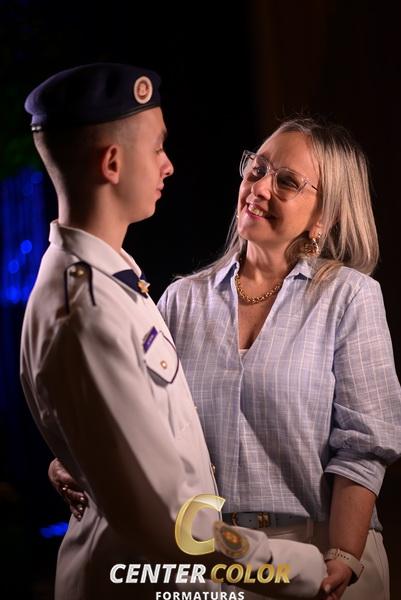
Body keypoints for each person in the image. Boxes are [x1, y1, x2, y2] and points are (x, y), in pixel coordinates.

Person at [53, 116, 401, 600]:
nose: (260, 187)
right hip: (217, 560)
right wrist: (73, 456)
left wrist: (342, 555)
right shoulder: (180, 301)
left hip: (323, 550)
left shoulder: (351, 297)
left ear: (324, 216)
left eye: (287, 182)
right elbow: (137, 414)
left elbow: (363, 446)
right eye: (257, 169)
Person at [20, 64, 331, 600]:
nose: (168, 164)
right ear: (112, 163)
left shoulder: (110, 281)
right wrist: (300, 570)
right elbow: (174, 523)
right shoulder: (89, 309)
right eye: (157, 147)